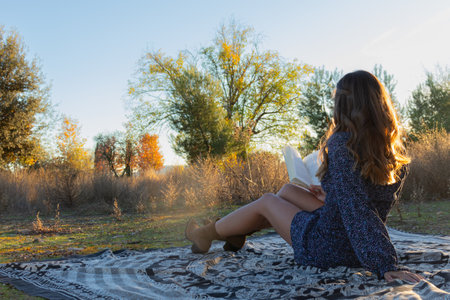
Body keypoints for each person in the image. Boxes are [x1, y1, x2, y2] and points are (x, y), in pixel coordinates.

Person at [185, 70, 423, 283]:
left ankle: (206, 234)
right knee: (288, 191)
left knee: (268, 201)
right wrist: (329, 194)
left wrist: (384, 264)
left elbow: (356, 207)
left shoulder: (342, 145)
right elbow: (369, 202)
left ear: (343, 106)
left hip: (329, 247)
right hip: (351, 238)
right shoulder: (394, 153)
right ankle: (235, 232)